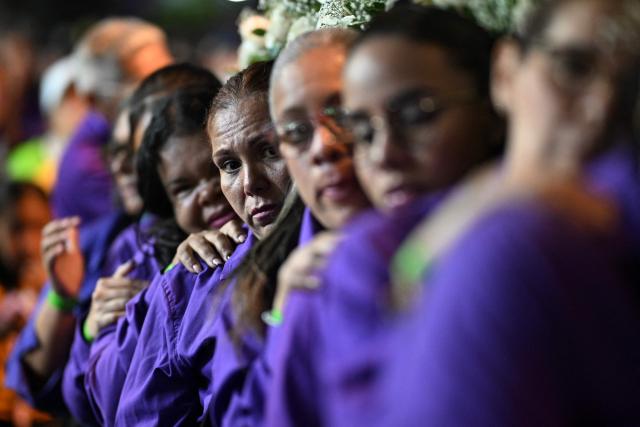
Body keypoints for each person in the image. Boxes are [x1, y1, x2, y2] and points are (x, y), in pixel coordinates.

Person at [377, 0, 640, 425]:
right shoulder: (492, 241)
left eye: (632, 83)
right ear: (505, 74)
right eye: (572, 67)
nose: (601, 109)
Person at [260, 6, 504, 427]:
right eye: (365, 130)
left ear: (497, 103)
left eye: (417, 113)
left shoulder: (551, 226)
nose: (383, 154)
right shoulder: (332, 273)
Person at [200, 28, 371, 426]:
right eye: (295, 133)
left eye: (269, 150)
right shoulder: (240, 282)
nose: (323, 147)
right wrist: (283, 322)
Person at [107, 60, 289, 426]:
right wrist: (92, 328)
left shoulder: (360, 257)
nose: (250, 183)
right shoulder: (190, 277)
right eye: (229, 165)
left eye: (270, 152)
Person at [51, 17, 173, 224]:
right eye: (149, 86)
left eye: (172, 73)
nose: (173, 92)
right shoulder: (88, 166)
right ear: (94, 99)